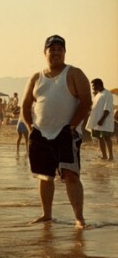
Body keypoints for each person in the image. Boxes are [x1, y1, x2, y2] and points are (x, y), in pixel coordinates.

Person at [22, 35, 92, 228]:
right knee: (45, 176)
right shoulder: (36, 77)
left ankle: (79, 218)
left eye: (59, 49)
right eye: (51, 49)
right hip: (41, 133)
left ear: (64, 52)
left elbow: (86, 102)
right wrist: (30, 129)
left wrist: (71, 127)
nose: (55, 52)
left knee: (71, 175)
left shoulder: (74, 73)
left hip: (66, 133)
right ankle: (46, 215)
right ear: (45, 53)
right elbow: (26, 105)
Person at [88, 78, 114, 161]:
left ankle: (111, 156)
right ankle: (104, 156)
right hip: (97, 121)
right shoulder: (98, 94)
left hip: (104, 120)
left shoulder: (107, 94)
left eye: (93, 86)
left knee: (106, 137)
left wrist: (102, 119)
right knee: (100, 137)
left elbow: (108, 108)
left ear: (99, 84)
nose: (93, 88)